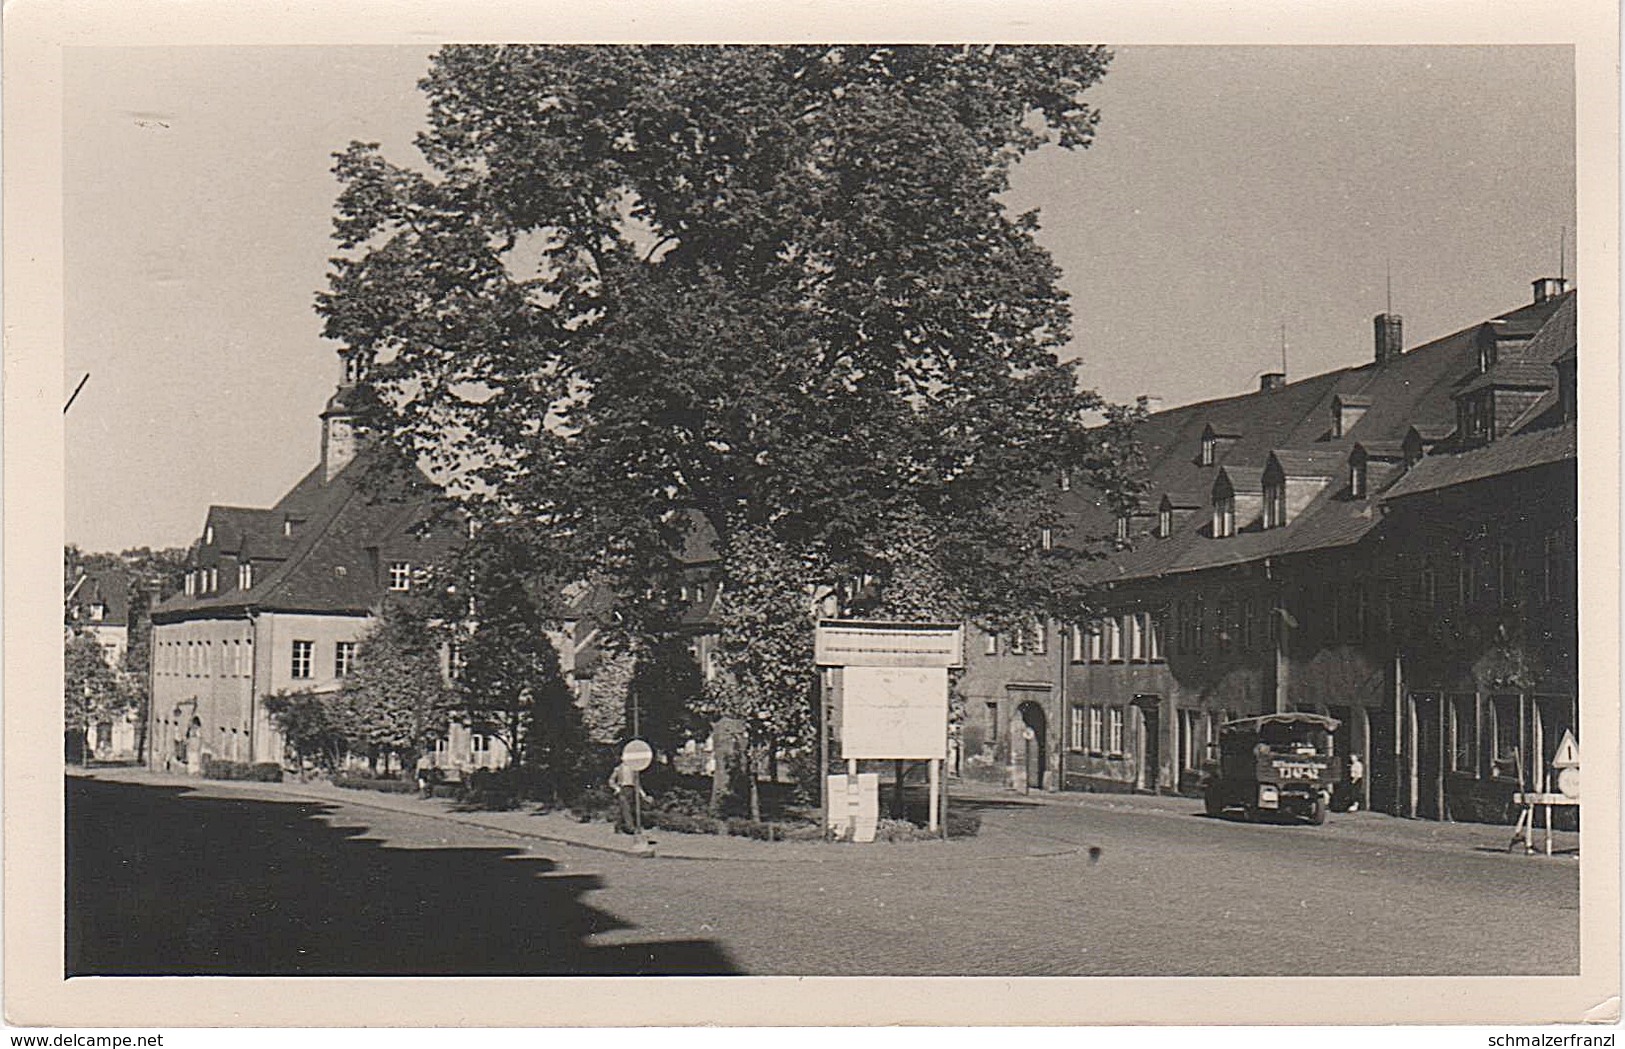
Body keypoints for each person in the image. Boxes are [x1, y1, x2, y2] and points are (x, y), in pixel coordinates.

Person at [608, 758, 650, 834]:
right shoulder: (618, 768)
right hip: (623, 789)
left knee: (628, 808)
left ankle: (618, 826)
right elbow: (611, 780)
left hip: (632, 789)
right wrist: (617, 788)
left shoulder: (633, 769)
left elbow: (636, 782)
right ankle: (631, 828)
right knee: (626, 808)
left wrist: (642, 793)